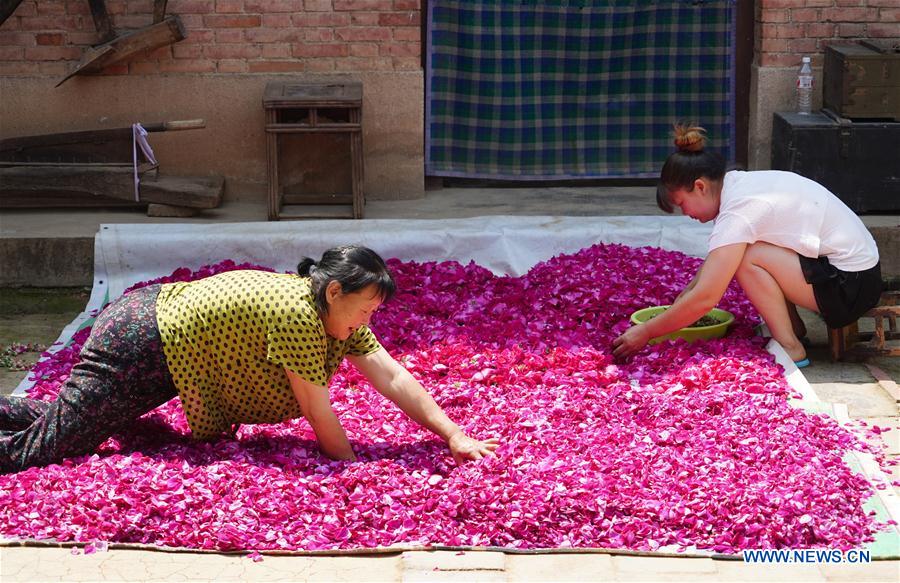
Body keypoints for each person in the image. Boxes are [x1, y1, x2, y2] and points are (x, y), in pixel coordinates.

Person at [0, 245, 499, 473]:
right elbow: (317, 410)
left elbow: (391, 375)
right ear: (333, 291)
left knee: (80, 422)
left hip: (168, 340)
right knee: (47, 447)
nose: (368, 320)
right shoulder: (300, 315)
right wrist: (353, 471)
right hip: (143, 338)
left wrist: (453, 434)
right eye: (365, 308)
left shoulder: (335, 317)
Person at [612, 125, 882, 366]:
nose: (685, 213)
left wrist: (647, 332)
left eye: (682, 203)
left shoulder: (739, 211)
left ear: (700, 187)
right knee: (747, 249)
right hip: (857, 276)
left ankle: (791, 346)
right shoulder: (738, 185)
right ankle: (794, 329)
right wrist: (686, 295)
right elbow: (715, 262)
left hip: (850, 287)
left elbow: (707, 298)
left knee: (747, 257)